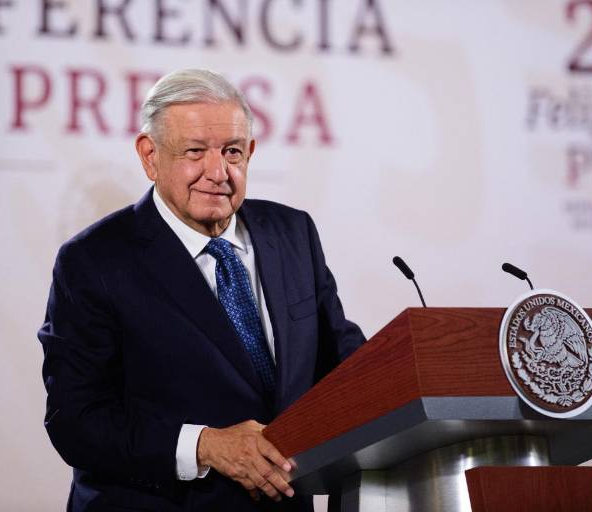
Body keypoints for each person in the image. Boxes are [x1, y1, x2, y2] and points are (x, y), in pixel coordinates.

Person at [37, 69, 365, 512]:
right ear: (150, 156)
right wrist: (204, 446)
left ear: (250, 152)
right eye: (195, 151)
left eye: (232, 152)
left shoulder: (293, 233)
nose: (218, 172)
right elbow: (76, 420)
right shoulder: (93, 261)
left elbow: (345, 365)